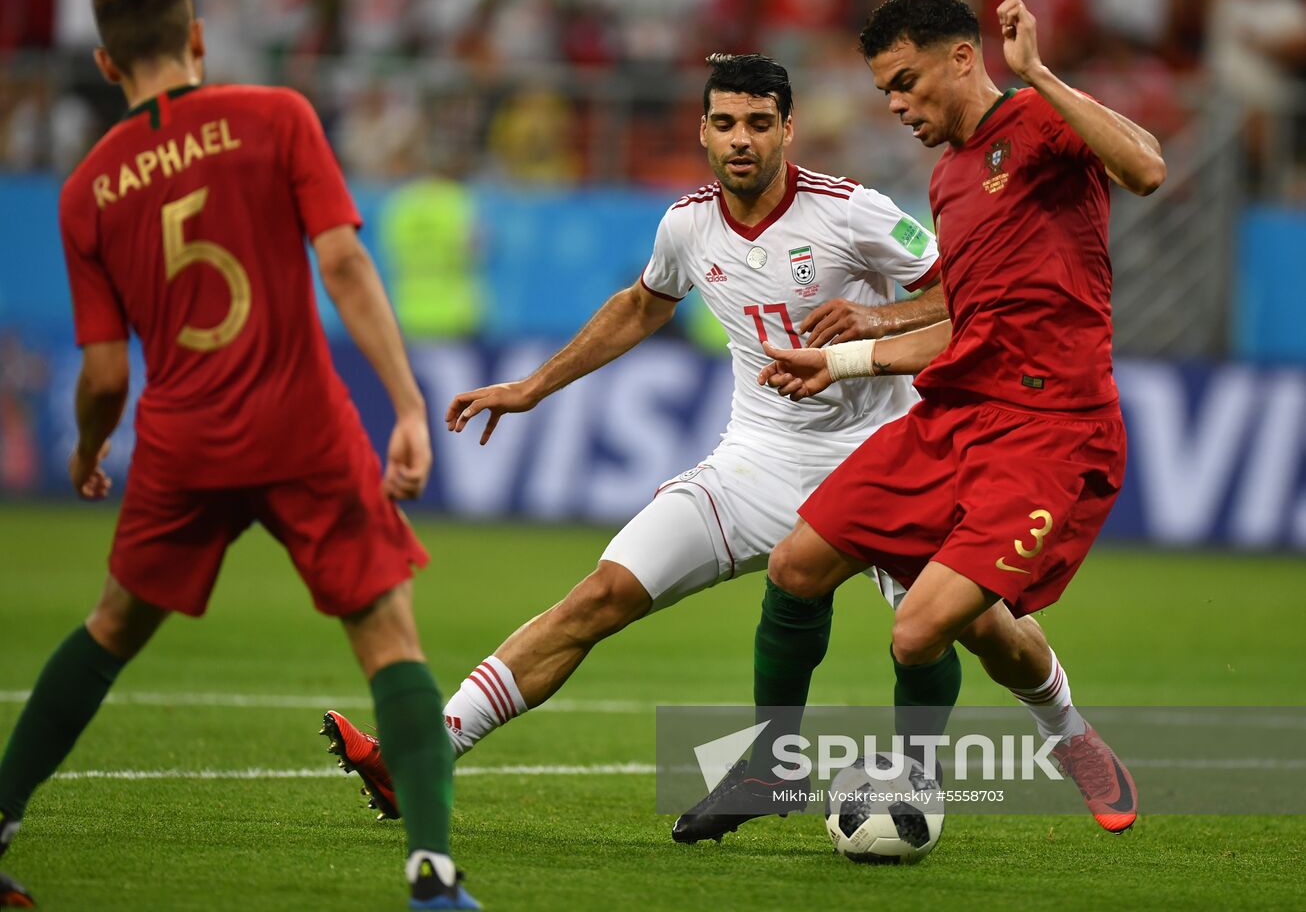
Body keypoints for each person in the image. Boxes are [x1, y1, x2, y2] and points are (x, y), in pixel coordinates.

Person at [324, 53, 1122, 843]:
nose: (742, 139)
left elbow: (961, 293)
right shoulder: (687, 223)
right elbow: (643, 305)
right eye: (726, 123)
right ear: (703, 131)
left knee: (978, 629)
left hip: (881, 451)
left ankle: (1062, 731)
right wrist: (533, 387)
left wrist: (871, 324)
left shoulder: (853, 212)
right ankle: (420, 754)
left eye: (760, 124)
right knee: (600, 596)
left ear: (788, 130)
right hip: (756, 462)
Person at [0, 0, 477, 912]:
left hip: (182, 443)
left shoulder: (86, 190)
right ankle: (431, 869)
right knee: (387, 636)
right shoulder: (278, 115)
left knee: (111, 627)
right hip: (303, 425)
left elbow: (102, 374)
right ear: (199, 39)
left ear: (104, 63)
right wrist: (409, 405)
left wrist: (89, 451)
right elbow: (341, 259)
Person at [676, 0, 1164, 842]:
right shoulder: (947, 178)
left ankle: (1068, 737)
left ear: (961, 59)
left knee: (922, 630)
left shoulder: (1042, 125)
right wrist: (840, 357)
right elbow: (966, 328)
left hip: (1051, 433)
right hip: (953, 419)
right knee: (796, 565)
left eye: (905, 83)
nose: (896, 106)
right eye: (884, 91)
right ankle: (768, 768)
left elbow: (1148, 168)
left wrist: (1041, 74)